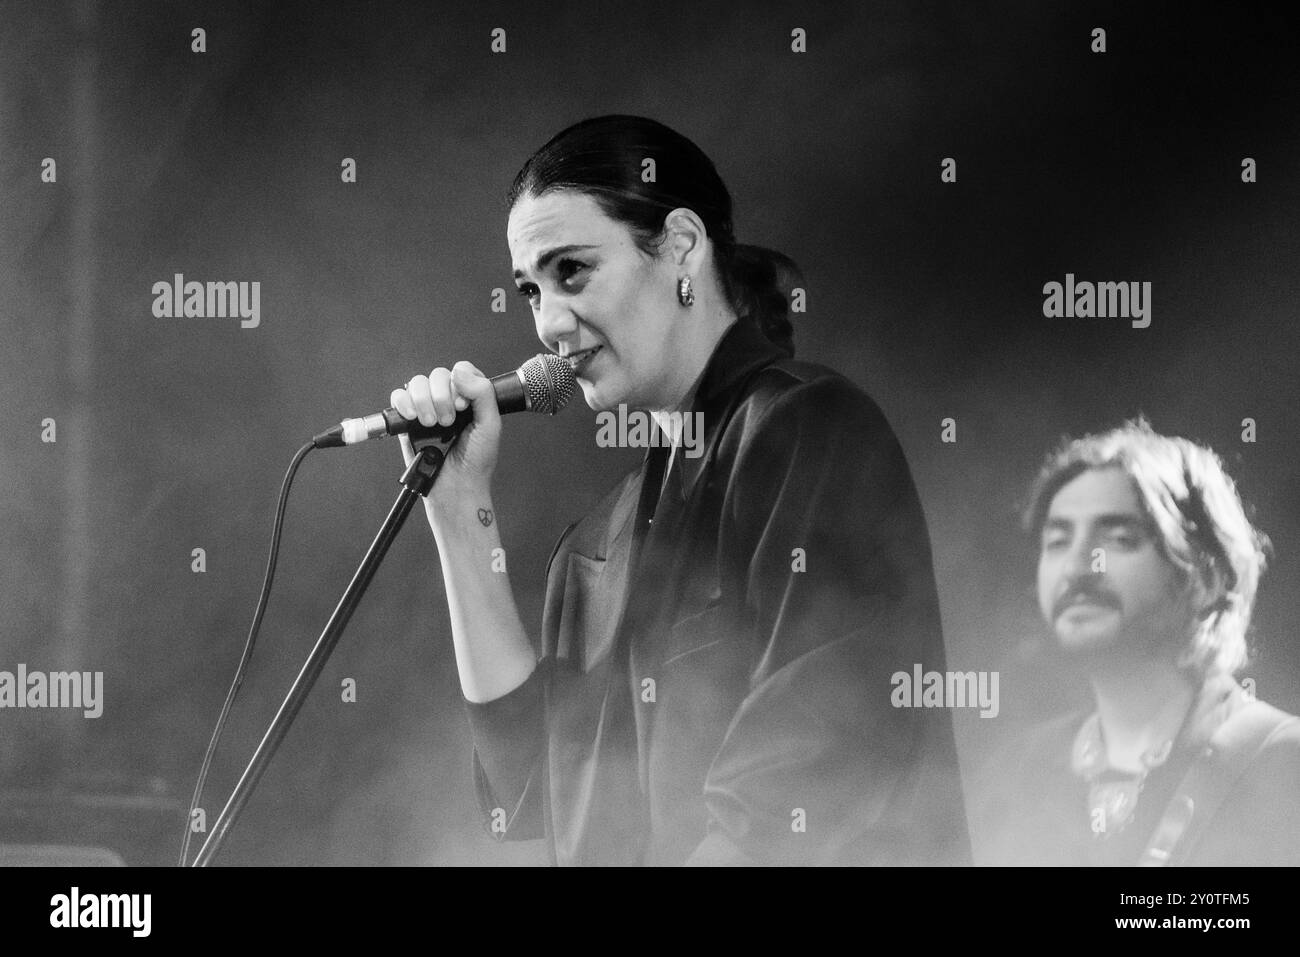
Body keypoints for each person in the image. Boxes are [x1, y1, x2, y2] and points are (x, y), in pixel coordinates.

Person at [391, 114, 970, 865]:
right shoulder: (594, 545)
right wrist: (457, 511)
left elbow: (812, 770)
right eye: (530, 289)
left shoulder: (806, 426)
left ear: (682, 247)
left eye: (571, 271)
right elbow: (533, 793)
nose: (549, 322)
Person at [976, 419, 1300, 865]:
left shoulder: (1282, 764)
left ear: (1206, 577)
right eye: (1058, 540)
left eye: (1119, 539)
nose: (1077, 567)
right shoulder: (1016, 772)